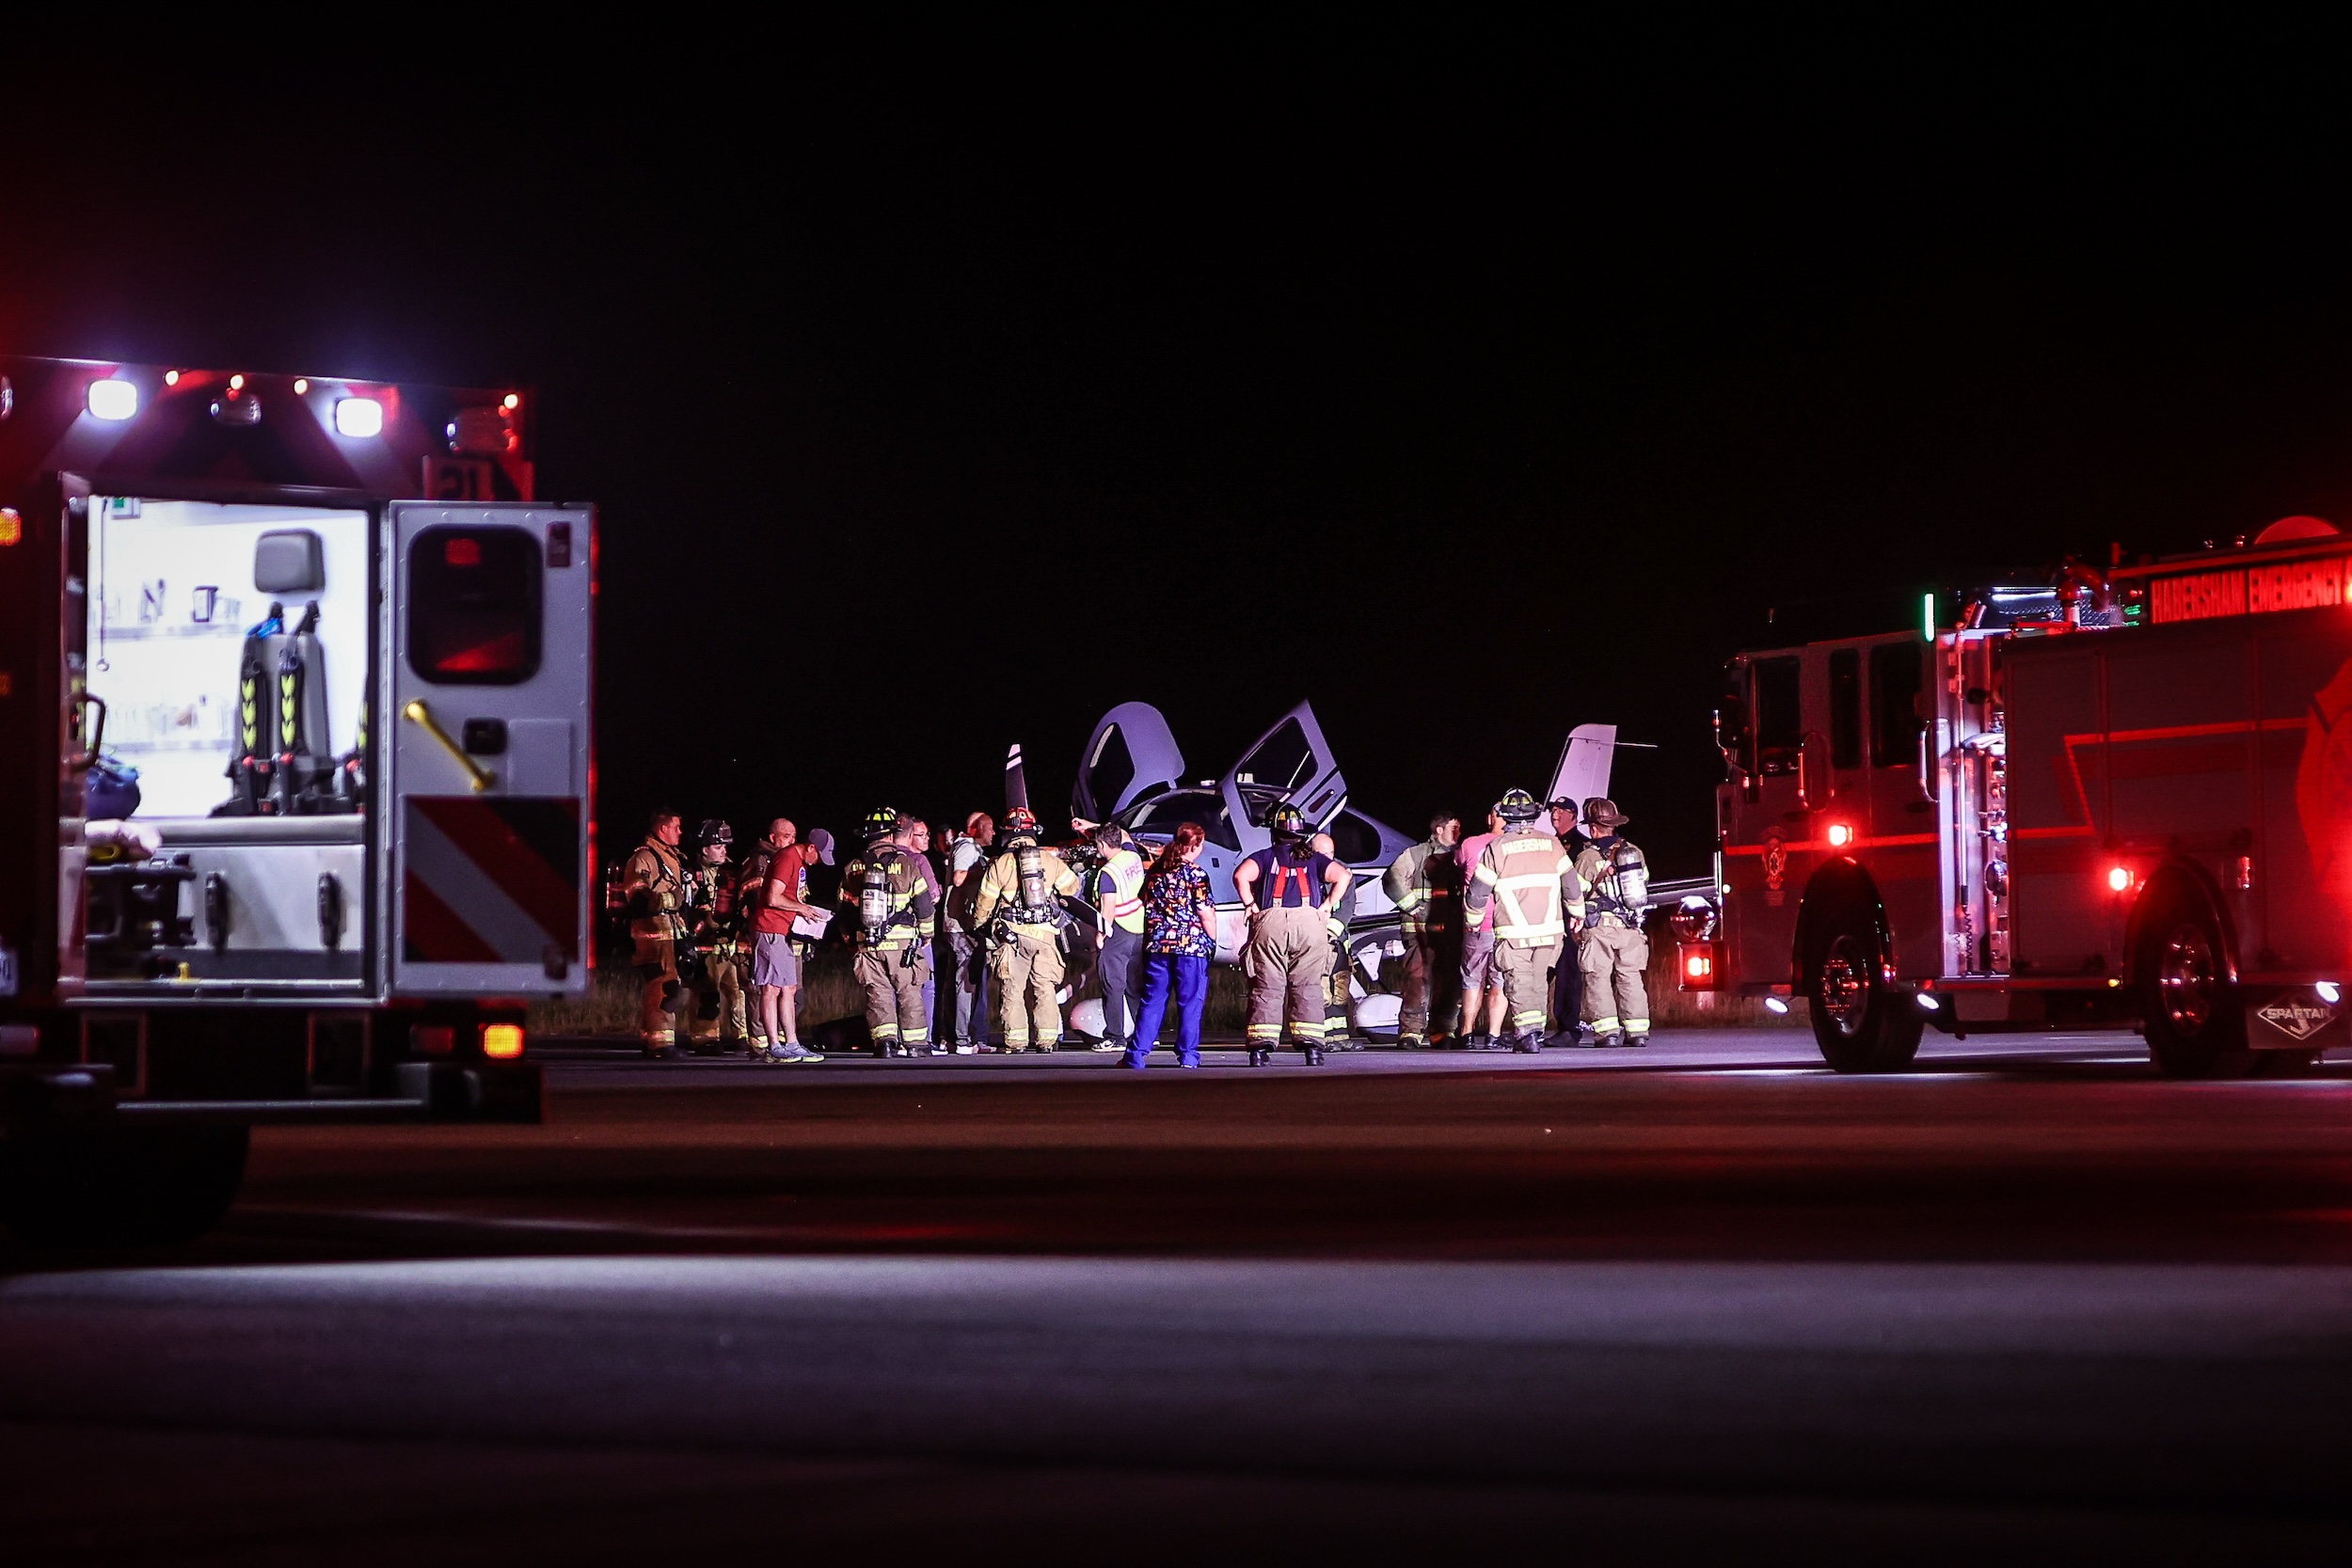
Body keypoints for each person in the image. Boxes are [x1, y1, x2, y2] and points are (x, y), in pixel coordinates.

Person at [1462, 788, 1581, 1053]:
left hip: (1515, 933)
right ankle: (1534, 1033)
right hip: (1550, 932)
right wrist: (1577, 913)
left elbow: (1478, 891)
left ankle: (1527, 1034)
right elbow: (1571, 883)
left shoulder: (1497, 848)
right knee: (1538, 982)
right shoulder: (1553, 844)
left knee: (1519, 981)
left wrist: (1473, 920)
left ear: (1505, 817)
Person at [1232, 803, 1349, 1067]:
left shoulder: (1264, 856)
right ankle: (1312, 1050)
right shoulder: (1316, 859)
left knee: (1267, 986)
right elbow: (1343, 875)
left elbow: (1241, 875)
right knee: (1308, 985)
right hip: (1310, 925)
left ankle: (1260, 1051)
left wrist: (1250, 904)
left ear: (1274, 832)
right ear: (1301, 833)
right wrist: (1328, 905)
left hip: (1271, 924)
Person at [970, 805, 1081, 1053]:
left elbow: (984, 904)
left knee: (1012, 989)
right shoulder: (1049, 861)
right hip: (1045, 935)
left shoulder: (1000, 864)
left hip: (1012, 937)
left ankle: (1016, 1042)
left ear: (1007, 833)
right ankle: (1047, 1041)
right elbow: (1072, 888)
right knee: (1045, 989)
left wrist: (979, 927)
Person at [838, 806, 935, 1056]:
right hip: (902, 942)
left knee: (878, 992)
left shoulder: (853, 868)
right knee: (909, 990)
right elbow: (923, 903)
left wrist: (850, 939)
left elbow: (844, 909)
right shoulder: (908, 864)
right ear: (891, 836)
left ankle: (885, 1044)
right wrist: (926, 934)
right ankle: (915, 1045)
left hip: (868, 943)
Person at [1125, 821, 1216, 1069]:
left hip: (1158, 945)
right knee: (1190, 1002)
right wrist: (1213, 941)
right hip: (1191, 947)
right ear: (1195, 845)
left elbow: (1143, 900)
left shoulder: (1155, 871)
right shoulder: (1196, 874)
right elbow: (1205, 912)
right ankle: (1188, 1055)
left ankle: (1136, 1054)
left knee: (1152, 999)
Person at [747, 818, 826, 1063]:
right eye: (820, 856)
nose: (820, 862)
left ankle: (792, 1043)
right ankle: (774, 1045)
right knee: (771, 988)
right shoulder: (788, 858)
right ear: (811, 847)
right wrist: (801, 908)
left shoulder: (800, 863)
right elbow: (772, 897)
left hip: (784, 931)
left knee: (789, 988)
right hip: (770, 928)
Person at [1575, 797, 1652, 1048]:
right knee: (1630, 977)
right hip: (1631, 926)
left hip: (1600, 928)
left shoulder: (1586, 857)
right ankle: (1638, 1032)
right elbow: (1644, 883)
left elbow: (1575, 893)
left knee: (1597, 978)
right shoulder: (1635, 851)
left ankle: (1607, 1033)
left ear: (1594, 828)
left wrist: (1575, 922)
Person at [1380, 814, 1460, 1048]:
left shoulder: (1460, 855)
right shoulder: (1414, 854)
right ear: (1438, 829)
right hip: (1420, 930)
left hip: (1451, 931)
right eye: (1454, 828)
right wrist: (1412, 906)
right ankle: (1410, 1032)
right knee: (1417, 979)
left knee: (1450, 982)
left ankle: (1443, 1031)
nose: (1458, 833)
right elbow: (1392, 880)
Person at [622, 808, 691, 1058]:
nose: (680, 833)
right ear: (662, 829)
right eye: (676, 827)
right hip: (653, 935)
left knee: (661, 987)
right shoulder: (645, 857)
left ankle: (652, 1041)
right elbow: (636, 895)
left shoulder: (668, 856)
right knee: (664, 988)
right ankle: (661, 1044)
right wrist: (672, 899)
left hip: (668, 934)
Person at [684, 819, 747, 1051]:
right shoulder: (693, 875)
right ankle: (705, 1038)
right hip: (706, 946)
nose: (724, 851)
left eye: (726, 847)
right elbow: (691, 910)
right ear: (705, 849)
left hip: (731, 944)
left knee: (740, 990)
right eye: (719, 846)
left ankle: (743, 1035)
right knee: (707, 992)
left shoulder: (732, 871)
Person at [1451, 808, 1509, 1050]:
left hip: (1476, 924)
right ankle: (1494, 1035)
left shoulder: (1470, 844)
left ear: (1490, 818)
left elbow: (1456, 864)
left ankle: (1466, 1035)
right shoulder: (1512, 847)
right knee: (1499, 981)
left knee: (1472, 979)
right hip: (1506, 924)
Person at [1089, 823, 1148, 1056]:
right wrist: (1094, 826)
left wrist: (1100, 936)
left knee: (1112, 984)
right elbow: (1124, 835)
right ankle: (1144, 1035)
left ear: (1103, 845)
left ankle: (1115, 1036)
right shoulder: (1132, 856)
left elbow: (1108, 910)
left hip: (1120, 930)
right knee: (1136, 985)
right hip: (1140, 927)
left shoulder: (1108, 872)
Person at [945, 813, 995, 1052]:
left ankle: (968, 1036)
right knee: (965, 982)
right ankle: (962, 1038)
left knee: (970, 980)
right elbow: (958, 878)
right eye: (990, 828)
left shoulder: (971, 849)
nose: (993, 833)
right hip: (960, 926)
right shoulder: (966, 848)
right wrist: (986, 870)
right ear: (976, 829)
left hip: (965, 926)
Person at [1548, 797, 1594, 1047]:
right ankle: (1529, 1028)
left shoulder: (1582, 846)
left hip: (1569, 920)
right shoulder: (1549, 843)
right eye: (1553, 810)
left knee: (1567, 974)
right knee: (1538, 974)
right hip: (1547, 917)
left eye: (1560, 810)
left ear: (1573, 816)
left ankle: (1568, 1029)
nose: (1554, 814)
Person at [1310, 832, 1361, 1048]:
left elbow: (1347, 906)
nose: (1328, 858)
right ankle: (1320, 1037)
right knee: (1319, 990)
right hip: (1313, 941)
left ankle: (1340, 1037)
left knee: (1339, 989)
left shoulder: (1343, 873)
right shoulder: (1306, 870)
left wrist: (1331, 933)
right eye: (1322, 854)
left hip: (1337, 942)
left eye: (1330, 853)